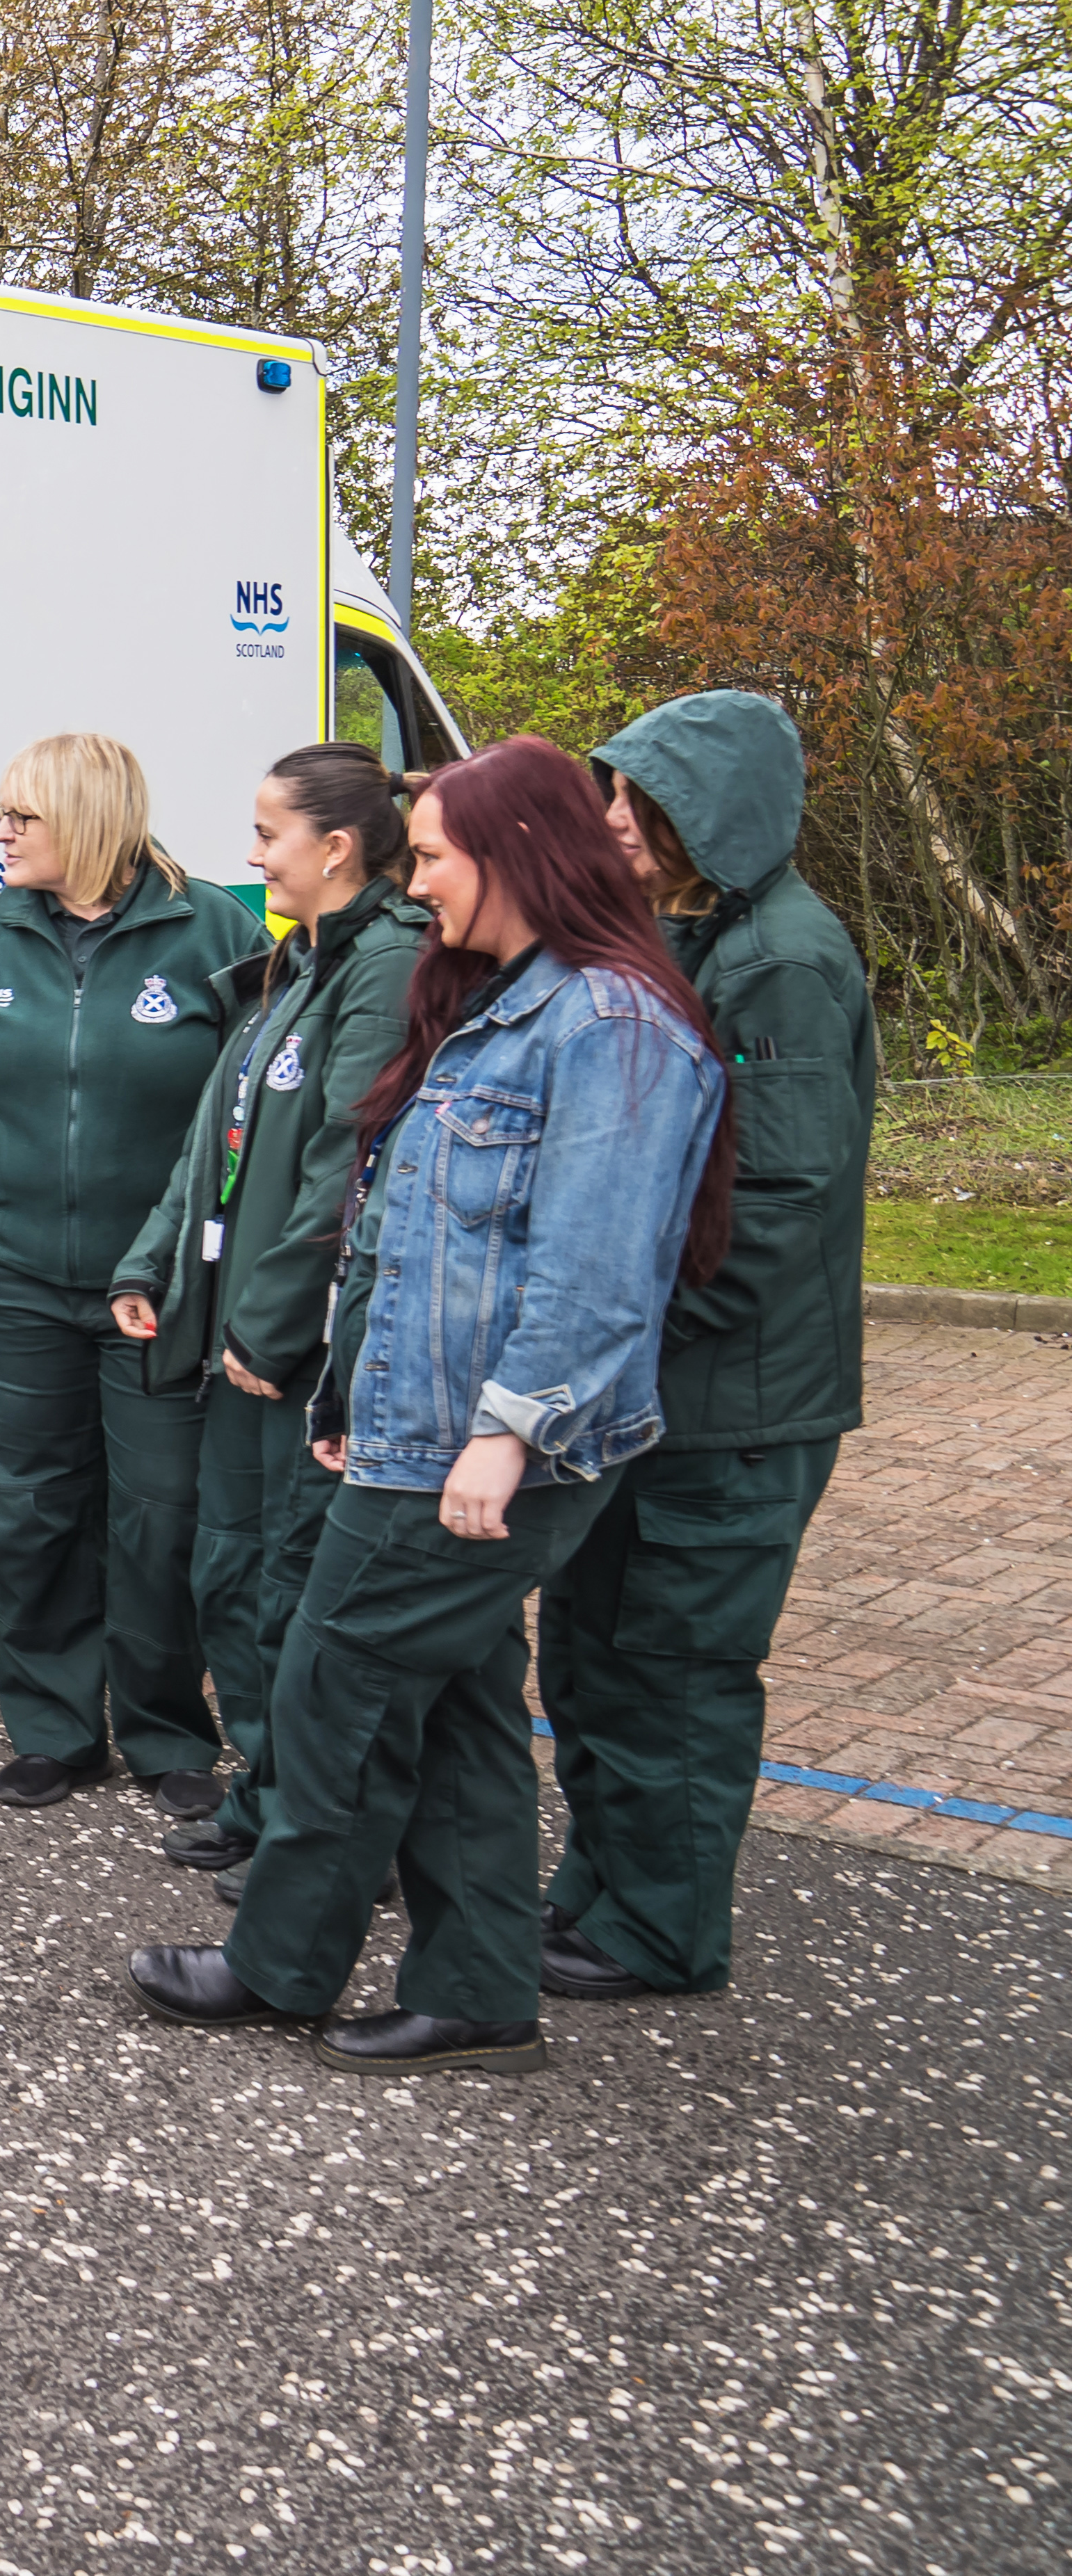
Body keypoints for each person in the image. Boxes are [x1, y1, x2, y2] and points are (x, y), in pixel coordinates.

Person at [130, 734, 732, 2075]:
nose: (423, 883)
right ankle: (478, 1989)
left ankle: (281, 1962)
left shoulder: (613, 1029)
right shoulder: (505, 1003)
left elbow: (594, 1267)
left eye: (442, 858)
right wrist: (355, 1393)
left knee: (335, 1677)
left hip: (496, 1447)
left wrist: (505, 1437)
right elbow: (406, 1236)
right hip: (418, 1430)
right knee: (456, 1698)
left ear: (520, 856)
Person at [533, 689, 874, 1999]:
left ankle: (662, 1931)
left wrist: (634, 1325)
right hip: (664, 1388)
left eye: (639, 800)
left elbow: (777, 1204)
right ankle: (600, 1889)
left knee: (673, 1668)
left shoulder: (782, 960)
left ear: (709, 814)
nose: (614, 819)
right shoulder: (707, 936)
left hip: (733, 1407)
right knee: (594, 1647)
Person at [0, 735, 267, 1814]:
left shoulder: (213, 932)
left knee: (160, 1517)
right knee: (28, 1510)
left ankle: (165, 1733)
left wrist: (213, 1255)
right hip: (4, 1278)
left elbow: (251, 1116)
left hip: (152, 1290)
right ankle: (56, 1727)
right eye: (2, 813)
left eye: (24, 817)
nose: (2, 833)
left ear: (93, 821)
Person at [111, 744, 431, 1877]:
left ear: (335, 848)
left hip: (286, 1353)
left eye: (267, 835)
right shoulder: (295, 962)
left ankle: (322, 1832)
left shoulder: (385, 968)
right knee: (231, 1580)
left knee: (292, 1593)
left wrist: (273, 1327)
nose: (250, 858)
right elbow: (219, 1146)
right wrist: (149, 1265)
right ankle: (266, 1800)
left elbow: (340, 1167)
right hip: (233, 1334)